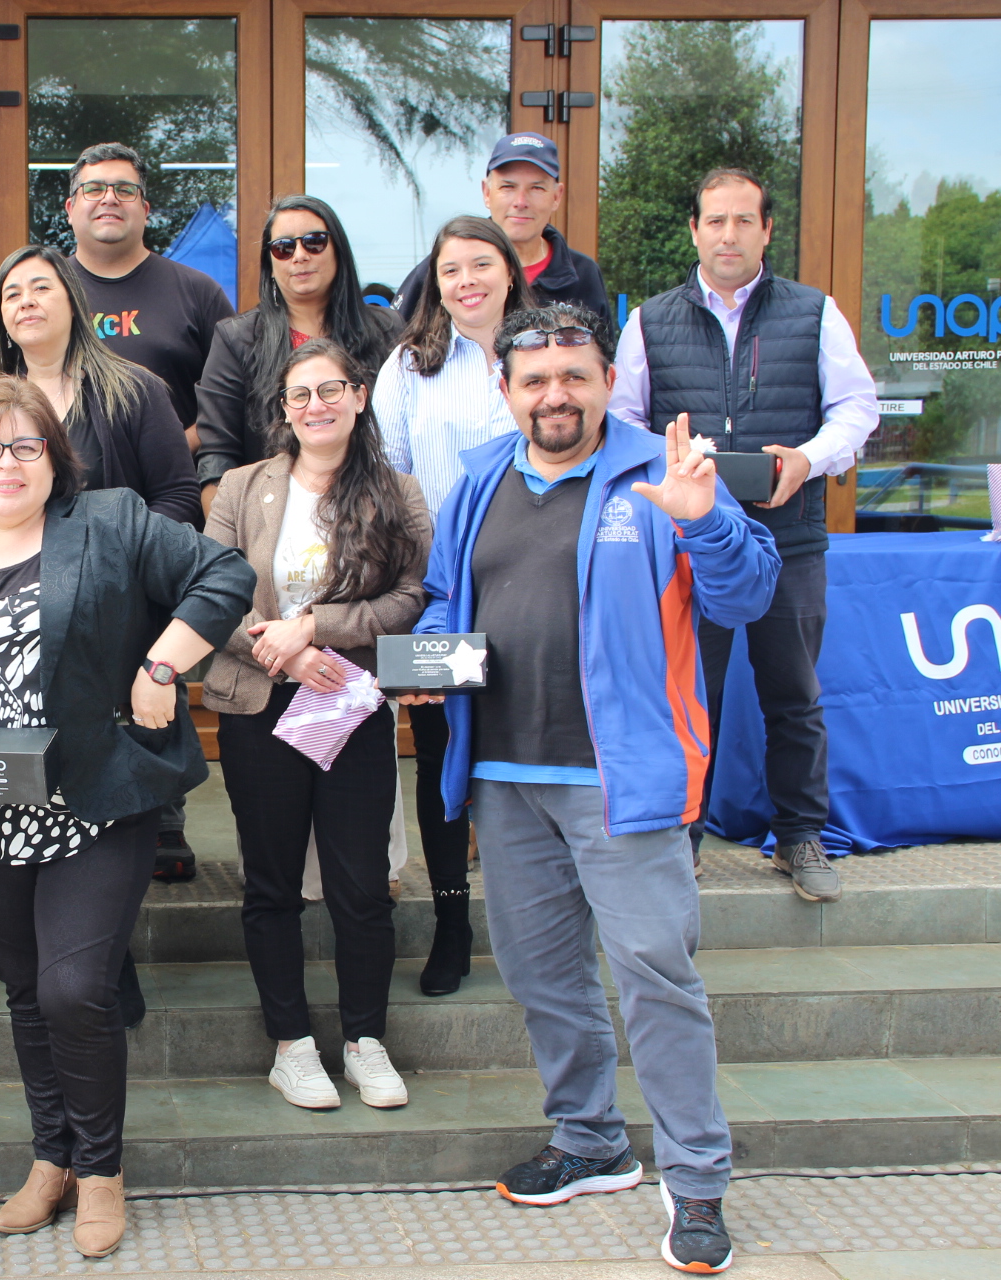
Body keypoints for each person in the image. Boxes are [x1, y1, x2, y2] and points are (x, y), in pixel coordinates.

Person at [413, 303, 779, 1275]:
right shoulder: (479, 479)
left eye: (575, 375)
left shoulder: (665, 470)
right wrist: (427, 662)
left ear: (609, 381)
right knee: (542, 974)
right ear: (505, 389)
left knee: (656, 974)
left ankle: (697, 1181)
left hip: (625, 778)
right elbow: (448, 600)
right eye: (534, 380)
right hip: (505, 775)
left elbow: (747, 595)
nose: (555, 395)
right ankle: (590, 1139)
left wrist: (705, 521)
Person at [0, 377, 254, 1260]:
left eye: (27, 445)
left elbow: (225, 574)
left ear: (54, 460)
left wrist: (163, 666)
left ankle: (101, 1169)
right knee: (27, 992)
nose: (6, 463)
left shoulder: (109, 520)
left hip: (94, 801)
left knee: (73, 989)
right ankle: (50, 1156)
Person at [610, 168, 879, 905]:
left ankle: (799, 835)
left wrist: (808, 459)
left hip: (790, 538)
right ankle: (683, 838)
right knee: (691, 695)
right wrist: (672, 468)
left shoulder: (815, 313)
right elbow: (623, 420)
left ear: (766, 230)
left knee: (793, 696)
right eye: (715, 221)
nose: (728, 235)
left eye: (743, 221)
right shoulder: (650, 321)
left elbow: (857, 409)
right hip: (693, 545)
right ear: (694, 230)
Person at [202, 339, 430, 1112]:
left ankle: (366, 1041)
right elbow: (211, 591)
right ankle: (291, 1046)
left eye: (330, 390)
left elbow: (411, 596)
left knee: (361, 884)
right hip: (261, 704)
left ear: (359, 397)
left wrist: (318, 629)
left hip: (350, 704)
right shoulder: (242, 487)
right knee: (270, 884)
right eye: (299, 395)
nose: (315, 406)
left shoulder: (396, 491)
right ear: (283, 409)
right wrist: (283, 651)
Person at [0, 241, 202, 898]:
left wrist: (121, 561)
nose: (26, 302)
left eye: (40, 288)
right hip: (20, 606)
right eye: (11, 294)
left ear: (73, 301)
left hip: (119, 604)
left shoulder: (133, 389)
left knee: (129, 741)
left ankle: (157, 817)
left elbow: (179, 496)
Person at [374, 214, 533, 996]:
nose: (466, 281)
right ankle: (451, 924)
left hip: (533, 588)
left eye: (480, 264)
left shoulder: (543, 352)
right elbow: (389, 476)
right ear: (434, 283)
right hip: (441, 595)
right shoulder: (410, 365)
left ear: (510, 271)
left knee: (526, 753)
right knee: (441, 762)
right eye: (450, 269)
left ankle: (535, 922)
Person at [193, 195, 401, 510]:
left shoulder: (387, 331)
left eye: (314, 242)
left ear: (338, 251)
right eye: (284, 248)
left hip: (374, 513)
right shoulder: (237, 339)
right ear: (270, 264)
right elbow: (217, 457)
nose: (299, 256)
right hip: (269, 520)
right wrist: (233, 536)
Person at [60, 142, 233, 440]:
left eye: (125, 190)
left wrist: (172, 453)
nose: (110, 198)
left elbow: (232, 398)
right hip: (65, 470)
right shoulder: (41, 294)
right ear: (70, 209)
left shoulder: (199, 292)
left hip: (179, 469)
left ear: (145, 210)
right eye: (94, 189)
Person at [394, 133, 607, 326]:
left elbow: (601, 353)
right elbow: (394, 340)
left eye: (536, 188)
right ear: (487, 192)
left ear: (556, 196)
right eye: (508, 187)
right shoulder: (445, 269)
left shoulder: (583, 274)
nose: (521, 202)